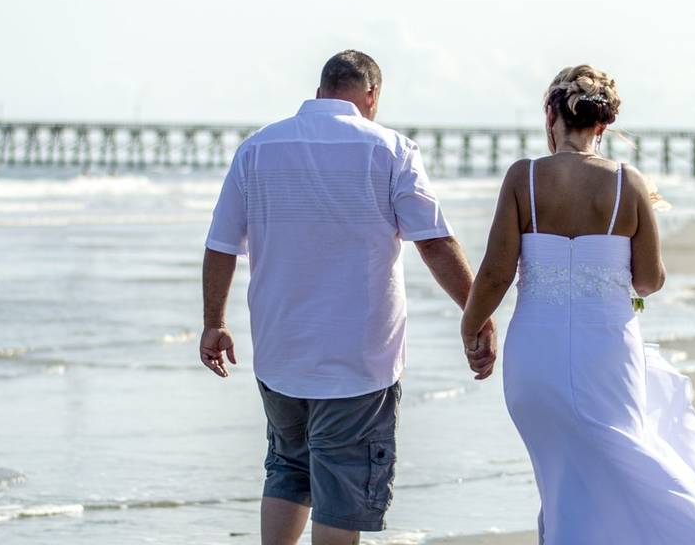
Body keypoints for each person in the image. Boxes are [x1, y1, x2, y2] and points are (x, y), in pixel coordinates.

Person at [199, 50, 496, 545]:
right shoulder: (391, 149)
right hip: (357, 362)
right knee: (342, 487)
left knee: (287, 468)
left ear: (319, 92)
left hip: (279, 354)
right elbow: (433, 242)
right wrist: (477, 313)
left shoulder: (257, 148)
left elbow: (221, 244)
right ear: (372, 96)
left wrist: (214, 321)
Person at [460, 65, 695, 544]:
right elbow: (649, 280)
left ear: (550, 114)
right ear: (602, 126)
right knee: (622, 454)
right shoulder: (629, 182)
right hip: (607, 354)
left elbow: (497, 273)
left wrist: (472, 328)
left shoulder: (524, 177)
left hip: (535, 357)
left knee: (561, 474)